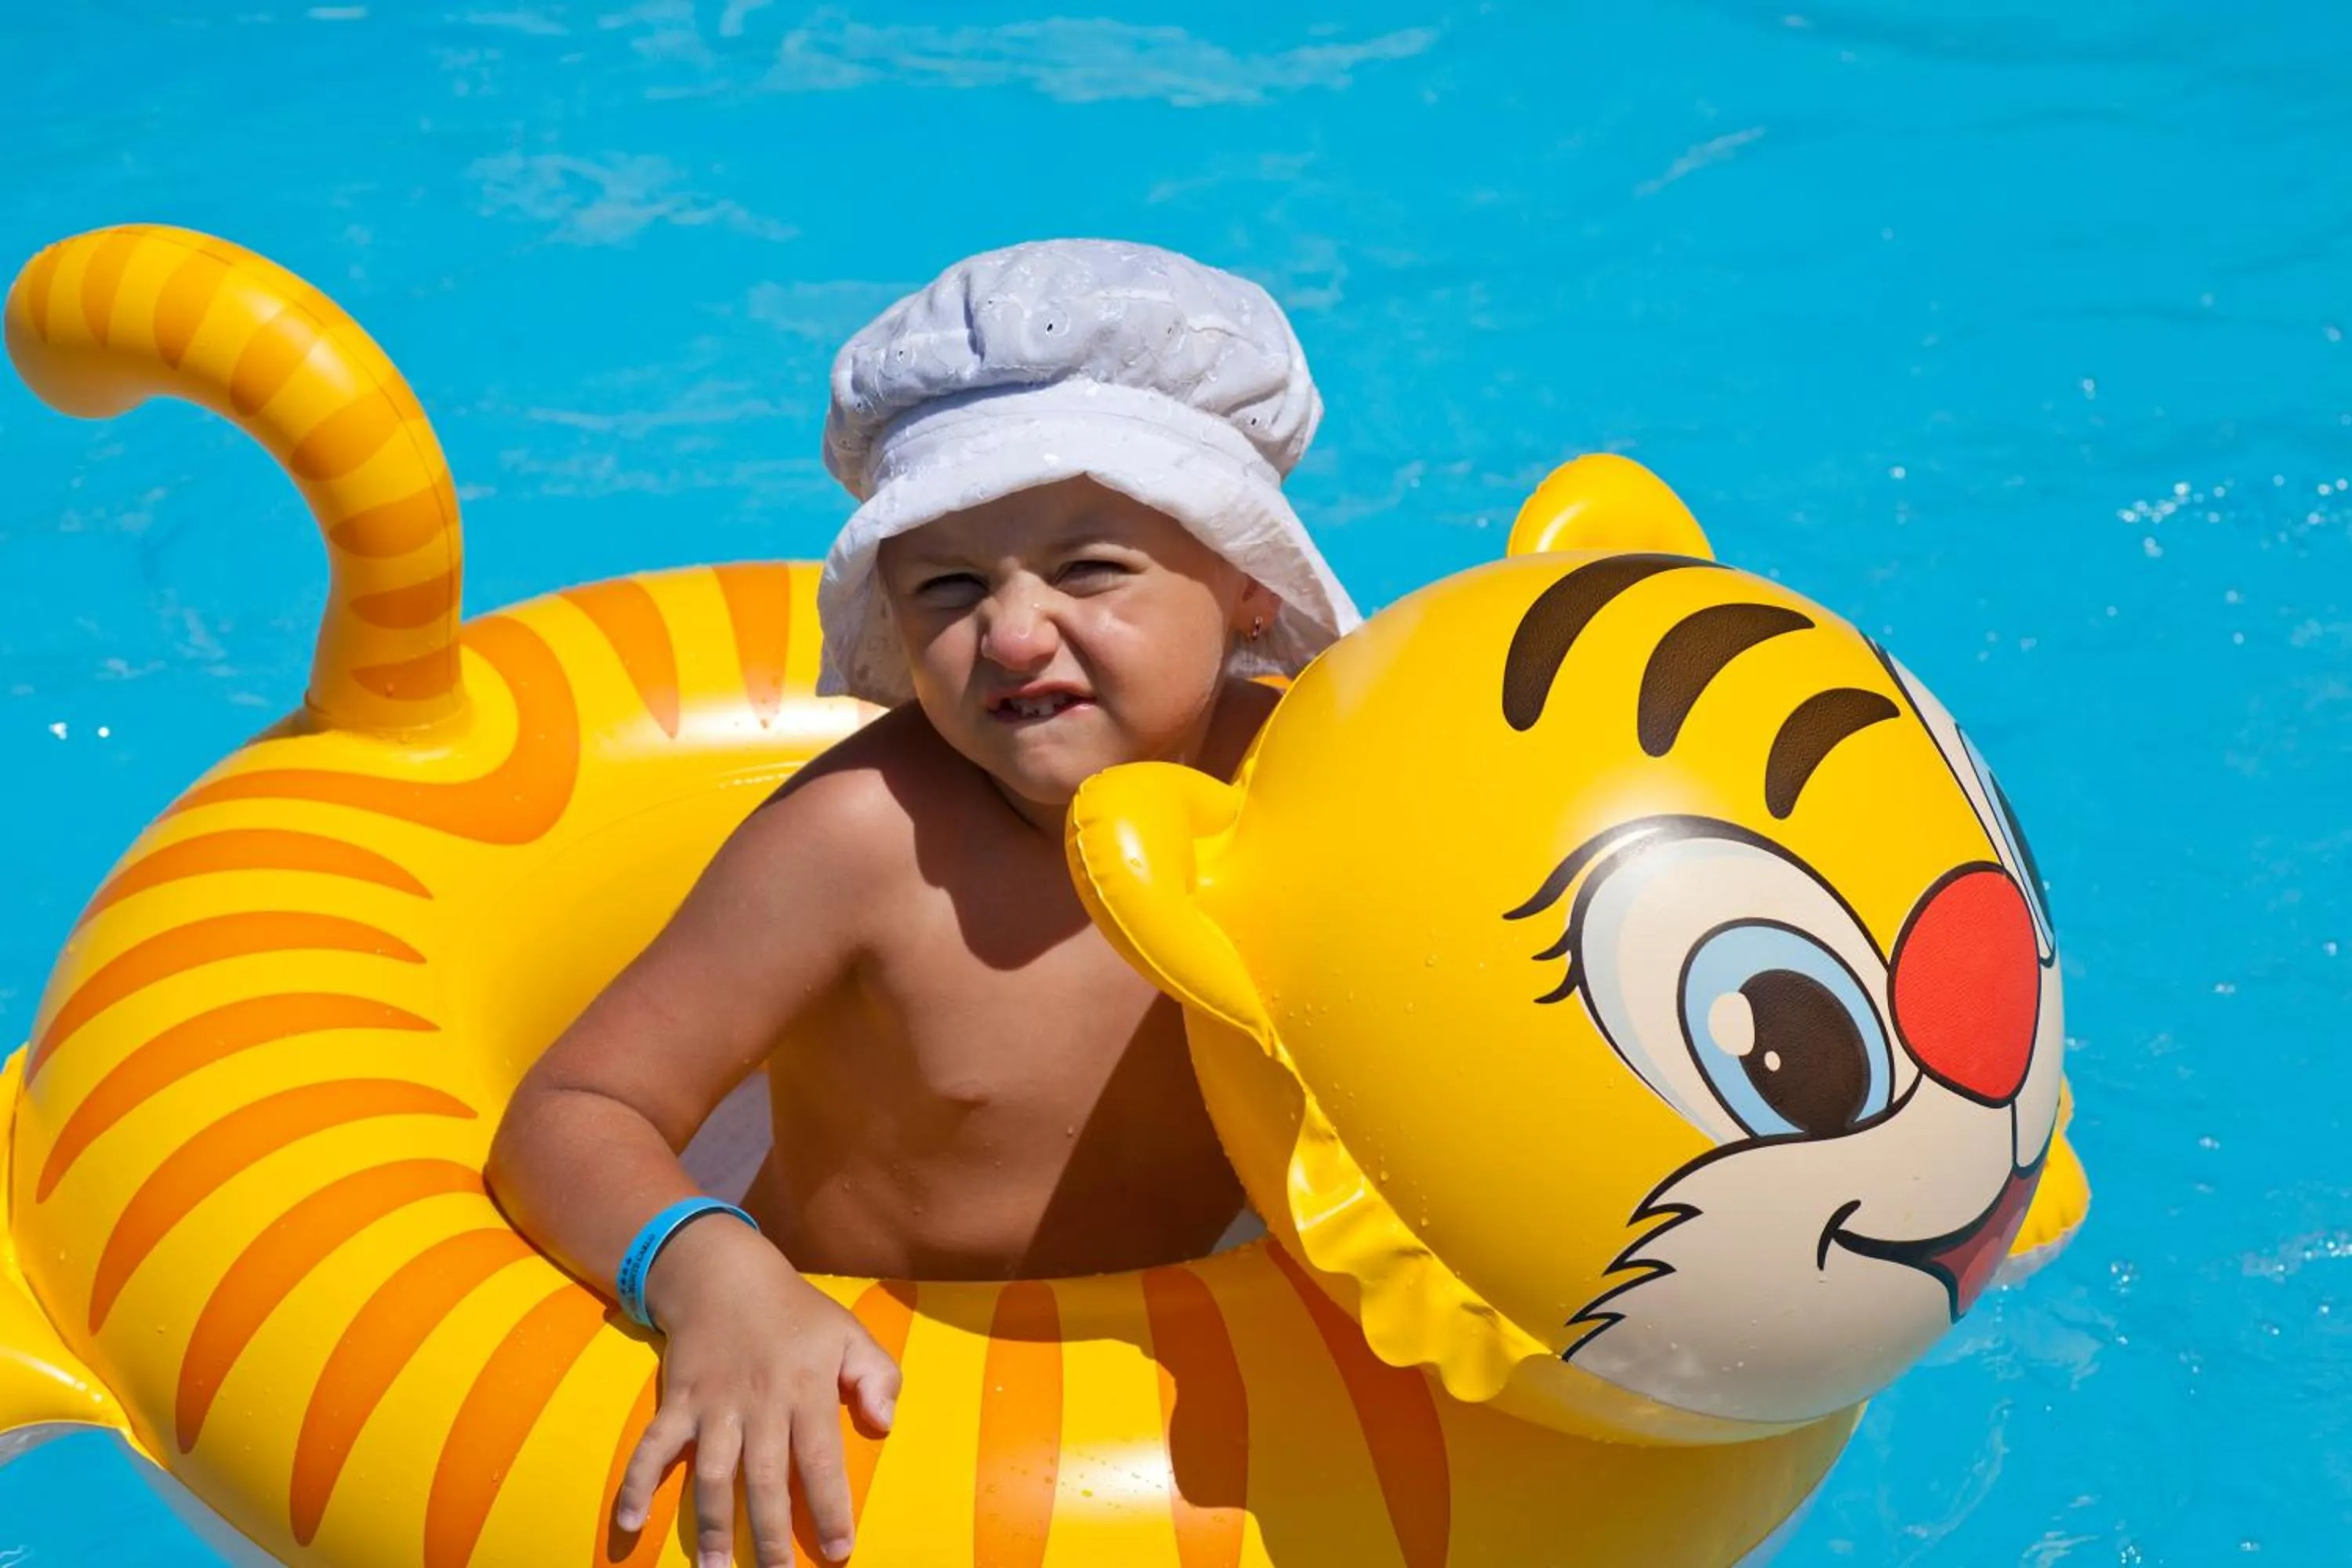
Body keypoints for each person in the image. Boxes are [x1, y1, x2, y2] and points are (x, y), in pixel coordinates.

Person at [485, 239, 1358, 1568]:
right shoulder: (860, 843)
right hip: (867, 1353)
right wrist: (712, 1274)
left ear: (1245, 586)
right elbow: (572, 1112)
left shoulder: (1325, 803)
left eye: (1091, 569)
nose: (1011, 635)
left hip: (1188, 1343)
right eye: (949, 586)